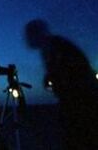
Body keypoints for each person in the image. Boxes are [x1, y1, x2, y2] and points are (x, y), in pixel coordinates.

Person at [25, 19, 98, 149]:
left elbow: (73, 71)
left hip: (81, 101)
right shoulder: (52, 46)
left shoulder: (55, 46)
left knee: (81, 138)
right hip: (76, 100)